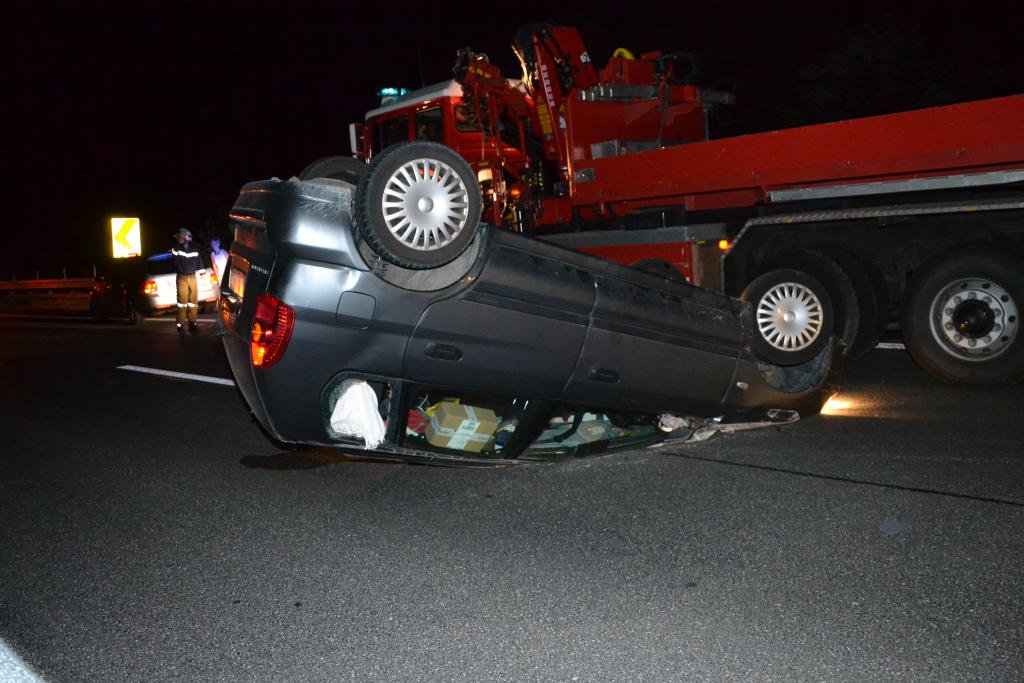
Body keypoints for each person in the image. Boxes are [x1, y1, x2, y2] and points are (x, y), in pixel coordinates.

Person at [171, 228, 203, 333]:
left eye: (180, 237)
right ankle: (180, 325)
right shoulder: (176, 248)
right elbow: (175, 263)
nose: (178, 239)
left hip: (192, 277)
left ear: (186, 237)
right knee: (182, 301)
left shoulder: (195, 248)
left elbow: (199, 261)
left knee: (193, 302)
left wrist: (202, 274)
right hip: (182, 278)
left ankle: (192, 324)